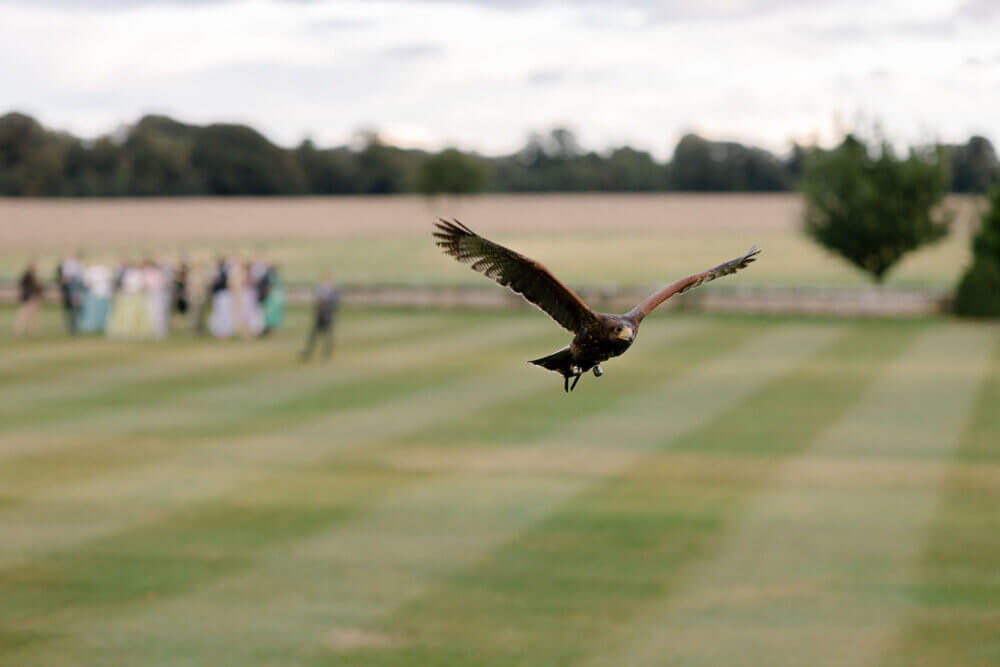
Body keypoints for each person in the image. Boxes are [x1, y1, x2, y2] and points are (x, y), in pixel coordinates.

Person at [301, 272, 340, 361]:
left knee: (327, 336)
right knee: (314, 335)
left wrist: (325, 304)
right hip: (320, 315)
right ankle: (309, 352)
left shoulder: (333, 290)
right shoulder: (319, 289)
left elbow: (334, 303)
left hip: (328, 315)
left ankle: (326, 353)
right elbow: (316, 299)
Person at [78, 262, 113, 334]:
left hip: (102, 294)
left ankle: (102, 325)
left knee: (103, 310)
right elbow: (87, 283)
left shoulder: (105, 272)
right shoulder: (91, 272)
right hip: (94, 294)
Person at [13, 260, 43, 337]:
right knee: (23, 316)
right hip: (28, 299)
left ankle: (32, 332)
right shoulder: (27, 275)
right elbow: (22, 286)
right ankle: (19, 332)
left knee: (33, 317)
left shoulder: (33, 275)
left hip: (33, 299)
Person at [55, 252, 83, 334]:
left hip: (73, 295)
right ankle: (72, 327)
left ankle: (74, 326)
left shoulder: (74, 278)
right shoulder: (70, 280)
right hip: (70, 295)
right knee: (71, 311)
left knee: (74, 311)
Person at [261, 264, 285, 335]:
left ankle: (273, 330)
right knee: (271, 314)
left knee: (274, 314)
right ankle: (270, 330)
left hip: (275, 297)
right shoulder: (270, 277)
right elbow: (268, 287)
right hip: (272, 298)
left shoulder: (274, 277)